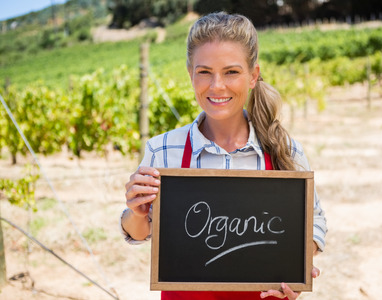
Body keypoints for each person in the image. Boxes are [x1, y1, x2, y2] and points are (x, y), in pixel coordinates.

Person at [121, 12, 327, 300]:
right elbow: (139, 232)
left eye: (231, 72)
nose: (217, 85)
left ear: (253, 75)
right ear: (190, 73)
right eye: (204, 72)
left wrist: (297, 264)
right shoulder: (163, 149)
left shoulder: (284, 149)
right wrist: (136, 211)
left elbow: (315, 220)